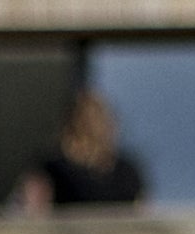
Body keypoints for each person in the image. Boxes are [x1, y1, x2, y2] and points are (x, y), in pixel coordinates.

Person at [16, 89, 150, 213]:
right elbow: (31, 210)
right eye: (85, 119)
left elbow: (142, 211)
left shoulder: (126, 171)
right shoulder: (52, 168)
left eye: (99, 118)